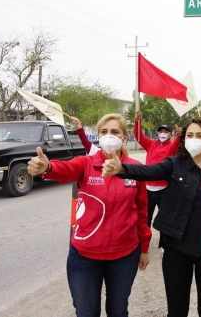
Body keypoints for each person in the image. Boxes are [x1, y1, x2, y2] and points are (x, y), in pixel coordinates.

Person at [101, 117, 201, 317]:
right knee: (177, 310)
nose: (194, 139)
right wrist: (122, 169)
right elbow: (149, 171)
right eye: (189, 135)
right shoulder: (174, 164)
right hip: (177, 250)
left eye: (200, 135)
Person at [27, 113, 151, 316]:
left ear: (124, 137)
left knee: (118, 311)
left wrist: (144, 248)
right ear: (98, 136)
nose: (108, 136)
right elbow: (64, 169)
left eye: (114, 132)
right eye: (104, 132)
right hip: (84, 256)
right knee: (86, 312)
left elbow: (142, 212)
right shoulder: (85, 164)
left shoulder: (135, 170)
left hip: (124, 255)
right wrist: (47, 167)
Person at [134, 111, 180, 251]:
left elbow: (178, 144)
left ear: (170, 134)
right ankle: (143, 246)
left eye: (166, 131)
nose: (163, 133)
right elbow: (138, 136)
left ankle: (164, 245)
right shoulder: (151, 144)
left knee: (164, 219)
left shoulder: (171, 147)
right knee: (144, 220)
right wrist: (138, 122)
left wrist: (179, 134)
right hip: (147, 189)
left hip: (164, 189)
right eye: (161, 131)